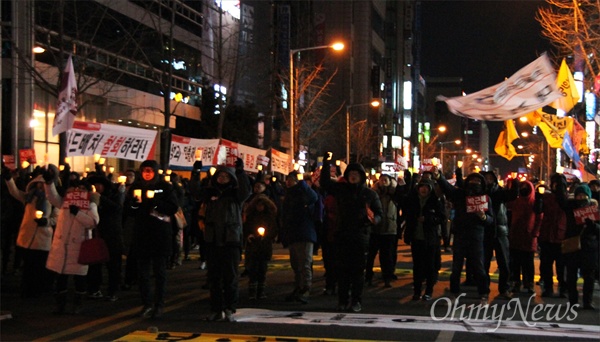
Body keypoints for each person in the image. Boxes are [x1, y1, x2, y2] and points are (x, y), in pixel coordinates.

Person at [320, 153, 383, 313]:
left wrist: (373, 219)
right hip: (342, 235)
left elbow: (379, 213)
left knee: (357, 272)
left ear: (362, 177)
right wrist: (326, 163)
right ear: (347, 176)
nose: (353, 177)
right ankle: (342, 300)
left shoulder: (369, 194)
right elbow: (325, 183)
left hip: (361, 236)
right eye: (351, 174)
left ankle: (356, 301)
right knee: (342, 271)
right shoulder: (341, 189)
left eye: (356, 174)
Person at [43, 166, 100, 315]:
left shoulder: (90, 205)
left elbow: (93, 222)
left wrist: (78, 213)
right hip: (62, 245)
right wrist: (49, 183)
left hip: (79, 247)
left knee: (79, 278)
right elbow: (52, 196)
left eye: (82, 189)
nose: (78, 191)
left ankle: (78, 304)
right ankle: (60, 305)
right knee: (61, 277)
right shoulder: (65, 203)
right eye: (77, 188)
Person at [127, 160, 179, 319]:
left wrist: (155, 203)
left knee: (159, 272)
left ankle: (159, 304)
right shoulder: (136, 187)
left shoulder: (165, 187)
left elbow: (173, 208)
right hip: (142, 234)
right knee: (142, 273)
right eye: (144, 170)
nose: (147, 173)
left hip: (160, 234)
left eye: (150, 170)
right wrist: (134, 205)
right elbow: (129, 211)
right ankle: (147, 304)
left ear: (156, 172)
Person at [201, 159, 251, 322]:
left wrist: (241, 171)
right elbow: (195, 193)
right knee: (214, 278)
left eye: (226, 176)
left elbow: (246, 190)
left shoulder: (236, 196)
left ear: (231, 178)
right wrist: (196, 173)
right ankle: (216, 309)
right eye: (220, 176)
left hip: (231, 240)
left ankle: (230, 308)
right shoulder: (210, 194)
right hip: (213, 239)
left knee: (230, 277)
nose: (222, 178)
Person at [436, 170, 493, 305]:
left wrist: (483, 217)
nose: (475, 184)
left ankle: (483, 293)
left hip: (476, 236)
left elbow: (491, 220)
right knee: (456, 267)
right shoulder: (460, 195)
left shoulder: (485, 199)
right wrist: (439, 177)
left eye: (478, 182)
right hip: (461, 235)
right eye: (472, 181)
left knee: (479, 267)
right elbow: (448, 189)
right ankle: (454, 292)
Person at [4, 165, 57, 298]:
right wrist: (9, 179)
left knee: (39, 267)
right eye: (38, 184)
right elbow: (15, 192)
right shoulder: (29, 198)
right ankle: (27, 289)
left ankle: (39, 289)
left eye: (43, 184)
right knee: (28, 266)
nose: (40, 186)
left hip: (42, 239)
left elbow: (56, 218)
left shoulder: (52, 201)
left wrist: (46, 222)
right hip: (26, 238)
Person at [403, 178, 446, 300]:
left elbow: (442, 218)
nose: (423, 189)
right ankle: (417, 292)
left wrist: (428, 219)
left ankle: (428, 291)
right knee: (417, 266)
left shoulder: (435, 201)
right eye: (421, 186)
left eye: (426, 187)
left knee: (430, 266)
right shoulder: (413, 201)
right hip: (416, 238)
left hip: (430, 239)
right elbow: (408, 217)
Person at [280, 170, 318, 304]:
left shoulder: (304, 192)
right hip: (293, 233)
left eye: (292, 179)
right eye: (288, 179)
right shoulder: (288, 194)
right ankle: (298, 287)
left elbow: (314, 197)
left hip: (305, 232)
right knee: (296, 264)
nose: (289, 181)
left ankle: (305, 289)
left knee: (305, 264)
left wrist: (301, 181)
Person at [86, 174, 125, 302]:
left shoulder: (114, 195)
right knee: (95, 263)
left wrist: (100, 199)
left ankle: (113, 290)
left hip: (112, 234)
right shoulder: (89, 198)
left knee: (113, 264)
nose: (96, 187)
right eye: (94, 185)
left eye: (98, 185)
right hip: (97, 234)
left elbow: (118, 208)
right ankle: (94, 288)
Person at [560, 184, 599, 309]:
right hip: (573, 245)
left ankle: (587, 301)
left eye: (584, 195)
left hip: (589, 246)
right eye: (579, 195)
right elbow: (561, 201)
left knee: (589, 276)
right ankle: (573, 301)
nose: (581, 197)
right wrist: (561, 184)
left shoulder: (594, 209)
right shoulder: (570, 208)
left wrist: (593, 226)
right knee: (571, 275)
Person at [481, 171, 518, 299]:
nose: (489, 180)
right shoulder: (481, 193)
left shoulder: (500, 192)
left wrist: (515, 182)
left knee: (504, 263)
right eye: (486, 178)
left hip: (500, 230)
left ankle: (504, 288)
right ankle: (484, 289)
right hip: (486, 231)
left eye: (491, 178)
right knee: (484, 262)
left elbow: (513, 195)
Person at [535, 173, 568, 298]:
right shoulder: (547, 197)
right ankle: (548, 288)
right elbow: (538, 210)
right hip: (547, 236)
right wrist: (539, 198)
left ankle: (563, 288)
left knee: (562, 266)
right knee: (546, 265)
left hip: (561, 237)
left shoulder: (566, 198)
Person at [366, 174, 399, 288]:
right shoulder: (373, 193)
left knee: (387, 256)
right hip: (375, 229)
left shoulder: (395, 193)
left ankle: (387, 277)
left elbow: (404, 194)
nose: (383, 182)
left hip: (390, 228)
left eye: (386, 180)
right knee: (370, 255)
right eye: (381, 180)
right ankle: (368, 276)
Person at [507, 180, 539, 295]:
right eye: (522, 187)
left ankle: (529, 283)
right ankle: (516, 282)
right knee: (516, 261)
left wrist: (535, 232)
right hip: (516, 234)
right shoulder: (516, 201)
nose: (524, 189)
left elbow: (539, 219)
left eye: (526, 187)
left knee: (528, 262)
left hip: (529, 236)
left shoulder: (535, 202)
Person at [243, 194, 278, 300]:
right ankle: (252, 292)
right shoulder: (251, 216)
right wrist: (249, 235)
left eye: (262, 205)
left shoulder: (269, 217)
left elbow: (274, 230)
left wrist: (267, 236)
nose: (260, 207)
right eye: (258, 205)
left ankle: (261, 291)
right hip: (253, 245)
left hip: (264, 245)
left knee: (262, 269)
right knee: (253, 269)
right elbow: (246, 228)